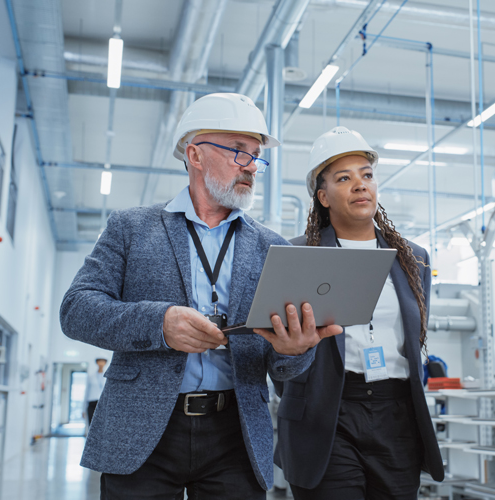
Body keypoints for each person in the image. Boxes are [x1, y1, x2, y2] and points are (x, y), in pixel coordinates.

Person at [60, 93, 341, 499]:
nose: (251, 167)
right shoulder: (132, 228)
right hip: (142, 429)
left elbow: (282, 370)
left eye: (256, 157)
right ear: (194, 154)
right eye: (238, 152)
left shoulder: (272, 248)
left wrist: (295, 350)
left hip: (236, 434)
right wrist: (159, 324)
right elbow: (76, 310)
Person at [272, 126, 444, 499]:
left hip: (396, 414)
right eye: (344, 178)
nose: (360, 185)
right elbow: (278, 347)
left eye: (366, 175)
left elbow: (414, 339)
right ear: (323, 196)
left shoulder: (413, 258)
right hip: (326, 416)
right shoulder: (297, 255)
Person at [85, 358, 107, 426]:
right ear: (97, 363)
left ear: (105, 363)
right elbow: (86, 393)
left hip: (103, 403)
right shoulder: (91, 376)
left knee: (102, 425)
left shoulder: (107, 377)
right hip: (92, 403)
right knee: (91, 424)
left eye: (102, 361)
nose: (101, 363)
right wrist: (83, 409)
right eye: (99, 361)